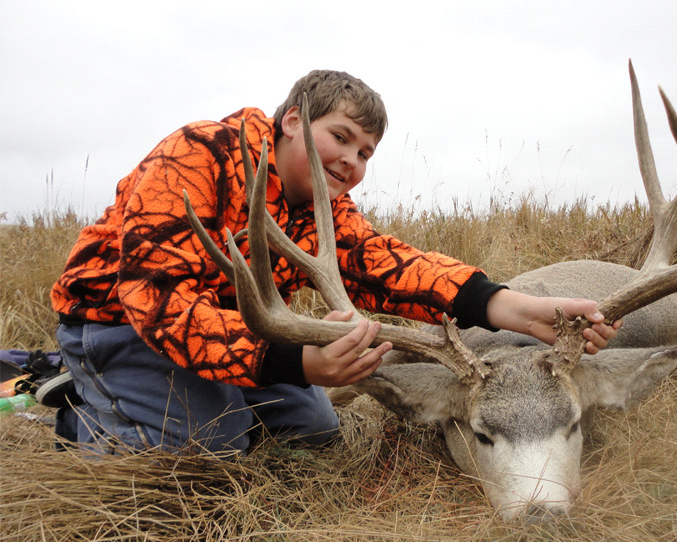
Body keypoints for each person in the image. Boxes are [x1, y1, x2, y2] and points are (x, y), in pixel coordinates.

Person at [50, 70, 620, 455]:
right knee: (214, 444)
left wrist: (514, 309)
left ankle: (198, 403)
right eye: (340, 137)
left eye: (365, 152)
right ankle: (81, 409)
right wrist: (295, 361)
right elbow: (157, 304)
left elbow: (388, 267)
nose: (350, 160)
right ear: (294, 120)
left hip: (234, 337)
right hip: (117, 327)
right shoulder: (197, 156)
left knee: (315, 429)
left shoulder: (325, 210)